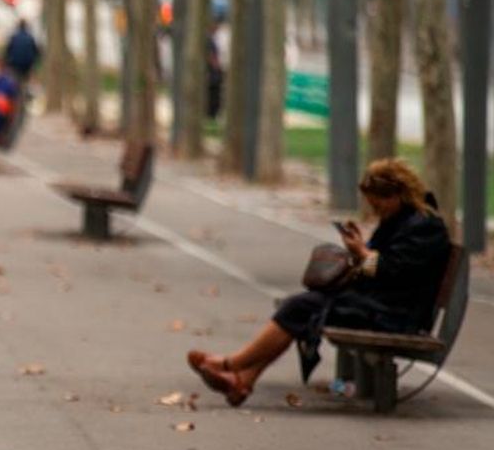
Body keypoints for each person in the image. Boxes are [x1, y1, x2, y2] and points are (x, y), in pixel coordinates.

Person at [187, 159, 450, 406]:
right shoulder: (403, 219)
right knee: (303, 306)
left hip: (396, 313)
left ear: (397, 194)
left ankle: (231, 365)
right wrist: (362, 249)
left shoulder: (424, 226)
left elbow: (394, 270)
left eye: (378, 205)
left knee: (300, 307)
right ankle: (243, 381)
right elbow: (386, 264)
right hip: (382, 304)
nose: (375, 211)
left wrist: (361, 253)